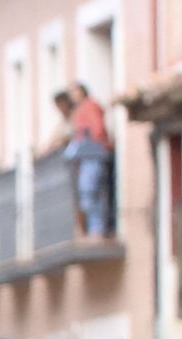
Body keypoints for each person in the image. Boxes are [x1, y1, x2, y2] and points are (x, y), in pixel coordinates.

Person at [64, 82, 115, 238]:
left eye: (74, 92)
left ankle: (97, 228)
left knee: (90, 191)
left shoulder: (90, 106)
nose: (72, 96)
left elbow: (97, 128)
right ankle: (95, 228)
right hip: (88, 154)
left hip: (93, 154)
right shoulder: (80, 109)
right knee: (89, 192)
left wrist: (88, 141)